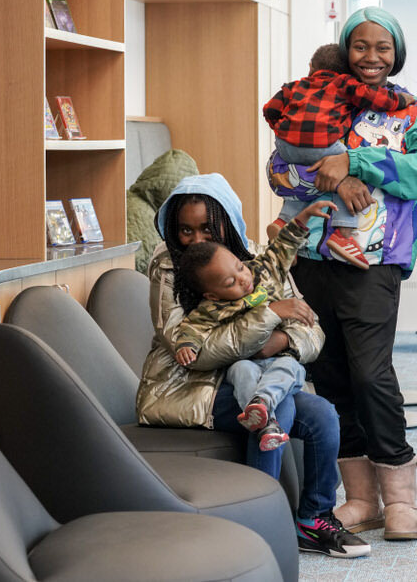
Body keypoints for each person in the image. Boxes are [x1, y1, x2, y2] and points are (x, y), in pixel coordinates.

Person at [135, 173, 371, 558]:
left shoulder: (256, 262)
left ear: (227, 221)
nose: (196, 239)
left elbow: (310, 329)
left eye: (207, 228)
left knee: (325, 415)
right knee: (278, 407)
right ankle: (261, 528)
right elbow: (193, 348)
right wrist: (268, 320)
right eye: (185, 230)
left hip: (259, 374)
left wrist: (280, 342)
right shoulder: (169, 265)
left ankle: (314, 519)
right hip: (189, 388)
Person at [276, 7, 417, 542]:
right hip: (312, 256)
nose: (371, 58)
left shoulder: (415, 112)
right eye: (360, 47)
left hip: (375, 261)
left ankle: (400, 497)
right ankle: (360, 499)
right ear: (345, 49)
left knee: (372, 375)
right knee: (329, 376)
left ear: (397, 53)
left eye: (383, 48)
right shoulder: (318, 96)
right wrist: (320, 178)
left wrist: (355, 164)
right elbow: (282, 168)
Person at [172, 201, 335, 452]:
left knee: (291, 369)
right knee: (241, 371)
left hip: (279, 358)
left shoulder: (262, 271)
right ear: (213, 295)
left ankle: (262, 404)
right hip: (242, 362)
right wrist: (186, 345)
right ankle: (263, 419)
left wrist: (301, 219)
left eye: (240, 268)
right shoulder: (211, 307)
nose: (243, 280)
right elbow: (193, 328)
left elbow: (282, 247)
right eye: (231, 282)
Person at [264, 43, 414, 268]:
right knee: (351, 164)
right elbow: (378, 100)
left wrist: (283, 130)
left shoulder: (294, 86)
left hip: (286, 144)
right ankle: (343, 233)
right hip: (322, 142)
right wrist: (402, 100)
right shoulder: (344, 83)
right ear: (349, 71)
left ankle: (283, 221)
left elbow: (269, 109)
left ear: (311, 67)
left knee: (305, 168)